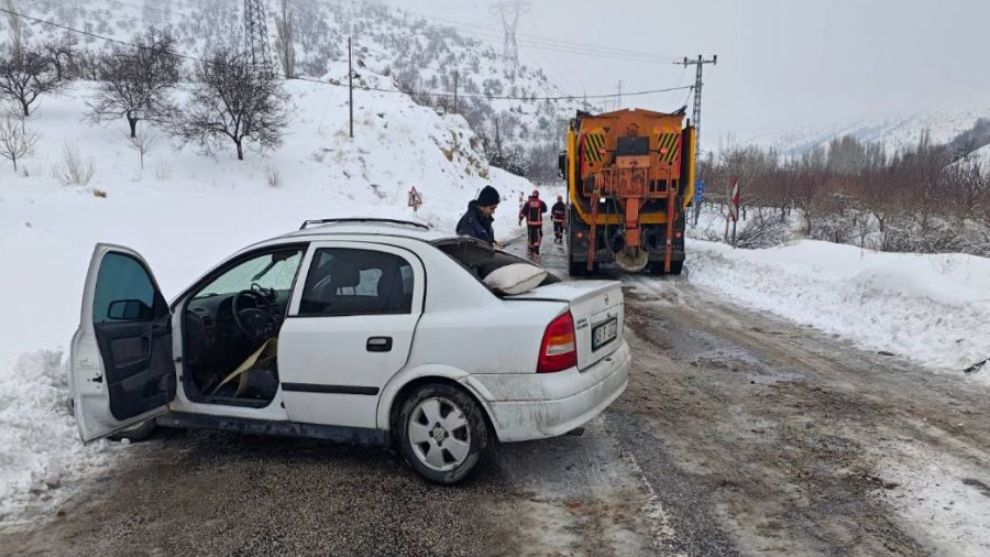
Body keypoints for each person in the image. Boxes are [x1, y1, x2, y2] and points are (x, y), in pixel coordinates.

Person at [519, 189, 548, 254]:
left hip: (530, 223)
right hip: (538, 223)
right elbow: (545, 210)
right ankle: (536, 246)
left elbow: (523, 212)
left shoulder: (528, 203)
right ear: (538, 195)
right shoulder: (541, 202)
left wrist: (520, 219)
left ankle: (531, 248)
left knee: (531, 235)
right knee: (539, 235)